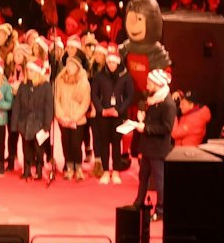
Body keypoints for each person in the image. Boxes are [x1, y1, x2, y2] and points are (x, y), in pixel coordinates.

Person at [132, 68, 176, 215]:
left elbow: (166, 128)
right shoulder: (151, 99)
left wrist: (146, 128)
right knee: (143, 177)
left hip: (158, 149)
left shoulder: (168, 104)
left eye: (149, 82)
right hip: (147, 147)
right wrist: (142, 115)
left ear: (157, 84)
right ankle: (139, 202)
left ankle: (161, 209)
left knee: (159, 181)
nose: (147, 85)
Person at [88, 47, 134, 184]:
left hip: (118, 116)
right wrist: (101, 110)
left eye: (113, 63)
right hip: (103, 116)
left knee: (116, 143)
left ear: (118, 62)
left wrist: (119, 111)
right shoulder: (99, 76)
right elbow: (94, 94)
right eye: (109, 63)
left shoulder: (125, 76)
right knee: (103, 143)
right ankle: (106, 171)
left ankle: (116, 171)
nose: (111, 65)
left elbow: (129, 96)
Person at [12, 60, 53, 181]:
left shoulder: (45, 86)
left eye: (31, 70)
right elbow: (17, 105)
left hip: (39, 122)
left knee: (38, 147)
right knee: (26, 147)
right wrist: (15, 124)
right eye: (28, 70)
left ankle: (39, 168)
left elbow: (48, 107)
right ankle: (27, 169)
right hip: (24, 122)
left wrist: (46, 125)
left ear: (37, 72)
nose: (28, 72)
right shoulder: (23, 86)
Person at [52, 55, 91, 180]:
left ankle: (78, 167)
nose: (69, 67)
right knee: (66, 143)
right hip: (63, 118)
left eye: (72, 65)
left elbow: (85, 102)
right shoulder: (60, 80)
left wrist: (74, 117)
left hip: (77, 119)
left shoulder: (83, 82)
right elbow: (56, 99)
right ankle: (69, 166)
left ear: (78, 67)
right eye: (68, 65)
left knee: (75, 143)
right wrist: (61, 115)